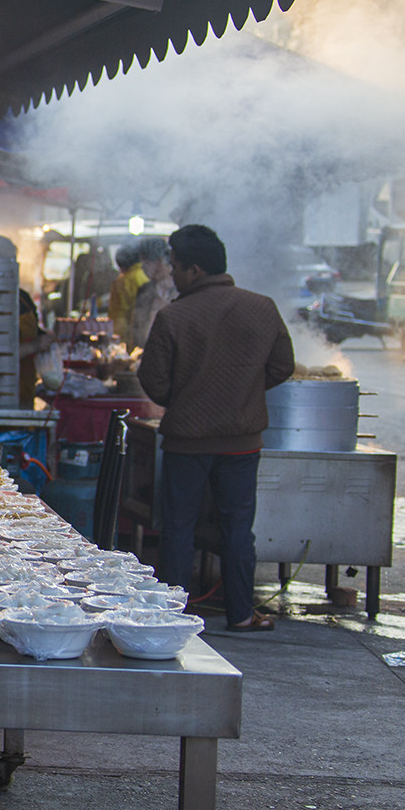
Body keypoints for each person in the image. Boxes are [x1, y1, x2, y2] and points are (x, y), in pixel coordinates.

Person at [138, 224, 294, 632]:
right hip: (242, 442)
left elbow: (153, 381)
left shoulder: (173, 316)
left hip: (186, 442)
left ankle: (174, 615)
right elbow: (282, 367)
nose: (171, 273)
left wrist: (188, 397)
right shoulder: (262, 307)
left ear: (194, 270)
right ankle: (241, 613)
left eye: (175, 266)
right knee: (238, 527)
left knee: (179, 527)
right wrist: (242, 393)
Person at [0, 235, 52, 406]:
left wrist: (48, 339)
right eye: (4, 260)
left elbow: (35, 332)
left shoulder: (22, 298)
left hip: (23, 391)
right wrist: (34, 346)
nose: (10, 266)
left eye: (12, 260)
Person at [131, 237, 176, 350]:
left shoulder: (179, 288)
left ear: (160, 261)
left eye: (146, 261)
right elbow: (136, 327)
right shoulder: (144, 290)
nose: (143, 267)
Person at [108, 243, 149, 348]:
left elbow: (120, 314)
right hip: (144, 330)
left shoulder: (122, 282)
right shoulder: (147, 275)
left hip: (126, 334)